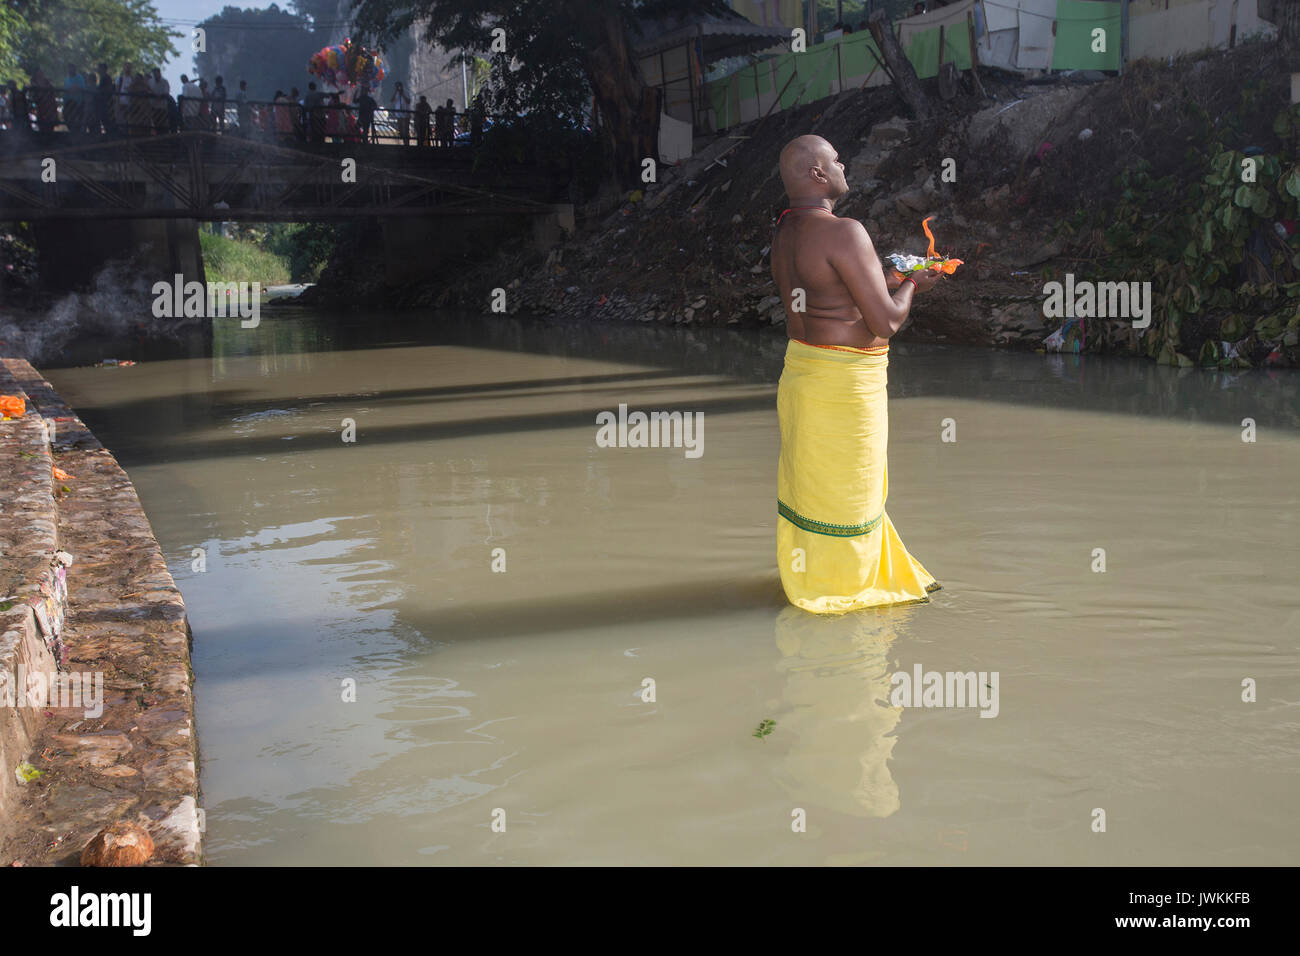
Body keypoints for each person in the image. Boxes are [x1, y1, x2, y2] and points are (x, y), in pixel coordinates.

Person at [769, 134, 943, 613]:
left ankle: (812, 575)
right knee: (852, 490)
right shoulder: (846, 231)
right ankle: (847, 587)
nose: (844, 164)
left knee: (815, 487)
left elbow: (831, 291)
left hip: (804, 374)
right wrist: (912, 284)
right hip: (845, 387)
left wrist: (893, 278)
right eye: (836, 159)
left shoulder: (785, 233)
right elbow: (885, 320)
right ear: (818, 175)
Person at [29, 69, 58, 133]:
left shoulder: (47, 83)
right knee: (41, 126)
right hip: (41, 109)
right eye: (38, 74)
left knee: (49, 126)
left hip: (49, 108)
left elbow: (52, 96)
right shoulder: (34, 83)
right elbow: (34, 97)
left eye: (41, 74)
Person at [63, 64, 86, 133]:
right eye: (69, 68)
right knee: (66, 116)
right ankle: (71, 130)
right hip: (68, 102)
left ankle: (78, 131)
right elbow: (65, 89)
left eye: (71, 68)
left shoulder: (79, 78)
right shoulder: (67, 79)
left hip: (77, 102)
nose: (70, 70)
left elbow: (83, 88)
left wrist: (74, 87)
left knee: (77, 118)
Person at [95, 63, 113, 134]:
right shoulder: (103, 77)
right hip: (102, 102)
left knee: (105, 119)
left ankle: (109, 134)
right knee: (103, 119)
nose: (98, 70)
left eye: (100, 68)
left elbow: (107, 89)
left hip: (104, 102)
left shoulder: (106, 77)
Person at [150, 68, 169, 134]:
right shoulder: (150, 81)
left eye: (157, 73)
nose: (155, 75)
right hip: (153, 106)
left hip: (162, 107)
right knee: (154, 122)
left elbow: (166, 92)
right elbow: (148, 91)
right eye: (154, 73)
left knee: (163, 123)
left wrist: (159, 97)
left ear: (159, 73)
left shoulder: (165, 81)